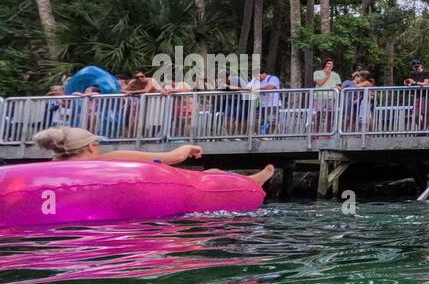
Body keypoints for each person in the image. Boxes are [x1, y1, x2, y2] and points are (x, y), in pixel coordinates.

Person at [33, 126, 275, 185]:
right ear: (89, 147)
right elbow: (172, 157)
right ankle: (251, 182)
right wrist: (189, 147)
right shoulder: (110, 159)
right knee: (210, 174)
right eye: (96, 143)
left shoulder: (47, 169)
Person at [248, 69, 281, 134]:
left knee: (272, 121)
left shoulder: (273, 78)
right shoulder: (256, 80)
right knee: (257, 121)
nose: (258, 78)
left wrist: (256, 89)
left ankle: (268, 136)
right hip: (261, 104)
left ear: (264, 73)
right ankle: (259, 135)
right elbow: (248, 87)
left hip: (273, 104)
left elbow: (270, 87)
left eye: (259, 76)